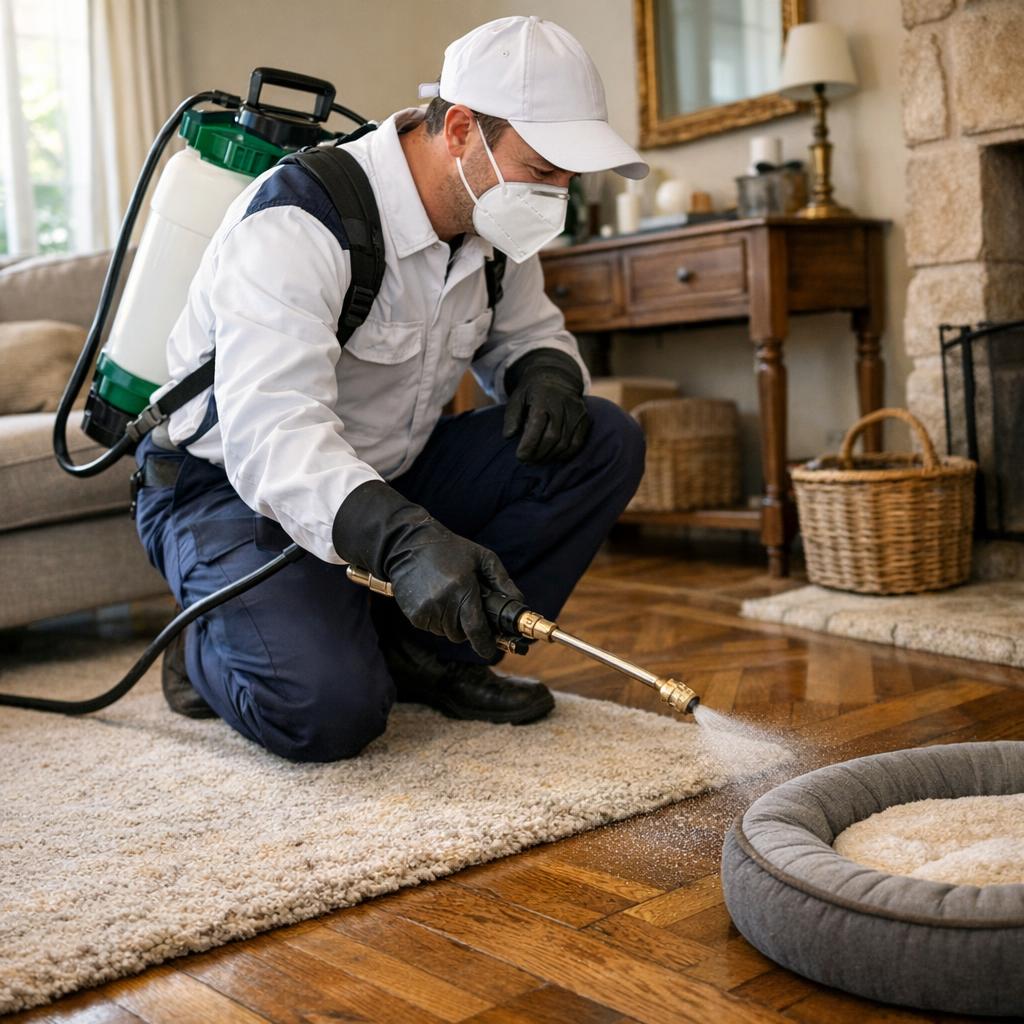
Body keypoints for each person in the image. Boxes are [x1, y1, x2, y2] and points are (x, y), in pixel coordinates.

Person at [133, 15, 649, 762]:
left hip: (388, 475)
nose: (558, 194)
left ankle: (433, 656)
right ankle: (205, 645)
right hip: (225, 488)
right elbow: (273, 437)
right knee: (327, 712)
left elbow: (532, 331)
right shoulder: (302, 218)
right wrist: (405, 544)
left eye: (571, 175)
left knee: (602, 438)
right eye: (544, 169)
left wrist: (546, 373)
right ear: (463, 128)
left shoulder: (492, 218)